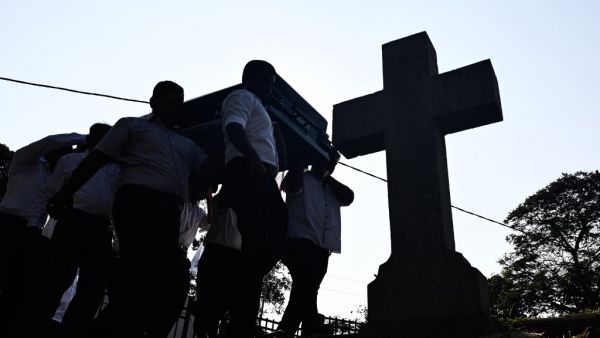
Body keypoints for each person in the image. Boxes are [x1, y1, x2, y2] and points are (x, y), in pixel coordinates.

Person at [47, 81, 217, 338]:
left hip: (170, 210)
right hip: (136, 202)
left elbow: (209, 170)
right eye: (169, 102)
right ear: (154, 103)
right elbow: (96, 158)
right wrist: (66, 191)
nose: (174, 108)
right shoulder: (132, 125)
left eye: (178, 103)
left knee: (163, 276)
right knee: (138, 270)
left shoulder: (188, 144)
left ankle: (113, 324)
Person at [24, 123, 118, 338]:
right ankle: (37, 327)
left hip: (102, 229)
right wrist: (34, 224)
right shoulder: (71, 161)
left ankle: (72, 331)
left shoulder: (117, 169)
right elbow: (47, 194)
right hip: (73, 223)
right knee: (56, 280)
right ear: (92, 139)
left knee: (92, 288)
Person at [219, 60, 288, 337]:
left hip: (261, 176)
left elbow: (279, 156)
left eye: (271, 84)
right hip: (248, 172)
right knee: (259, 240)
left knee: (273, 238)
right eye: (264, 82)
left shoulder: (264, 112)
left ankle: (239, 308)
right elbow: (234, 128)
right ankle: (240, 322)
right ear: (249, 79)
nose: (269, 88)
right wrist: (253, 159)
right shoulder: (242, 97)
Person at [0, 131, 85, 337]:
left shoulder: (55, 179)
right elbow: (50, 141)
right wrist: (84, 138)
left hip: (30, 232)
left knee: (19, 286)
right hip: (8, 224)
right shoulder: (24, 161)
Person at [275, 155, 354, 337]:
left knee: (305, 291)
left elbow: (349, 197)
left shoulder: (333, 187)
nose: (331, 166)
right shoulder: (302, 177)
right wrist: (302, 160)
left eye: (333, 163)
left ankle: (286, 330)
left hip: (322, 248)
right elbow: (290, 186)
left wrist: (326, 176)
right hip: (299, 241)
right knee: (307, 289)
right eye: (328, 162)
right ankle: (312, 330)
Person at [193, 193, 242, 338]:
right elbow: (212, 218)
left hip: (223, 253)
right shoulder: (226, 196)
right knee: (209, 304)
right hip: (220, 252)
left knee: (214, 304)